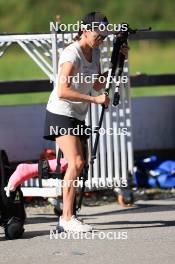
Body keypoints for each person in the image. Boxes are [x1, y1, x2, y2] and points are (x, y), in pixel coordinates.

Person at [43, 11, 128, 233]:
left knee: (79, 164)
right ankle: (67, 218)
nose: (101, 38)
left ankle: (67, 215)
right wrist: (94, 99)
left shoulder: (96, 51)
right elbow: (62, 90)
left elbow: (98, 84)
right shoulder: (72, 54)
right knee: (77, 162)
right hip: (60, 112)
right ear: (85, 30)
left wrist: (118, 61)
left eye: (104, 35)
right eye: (98, 33)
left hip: (77, 114)